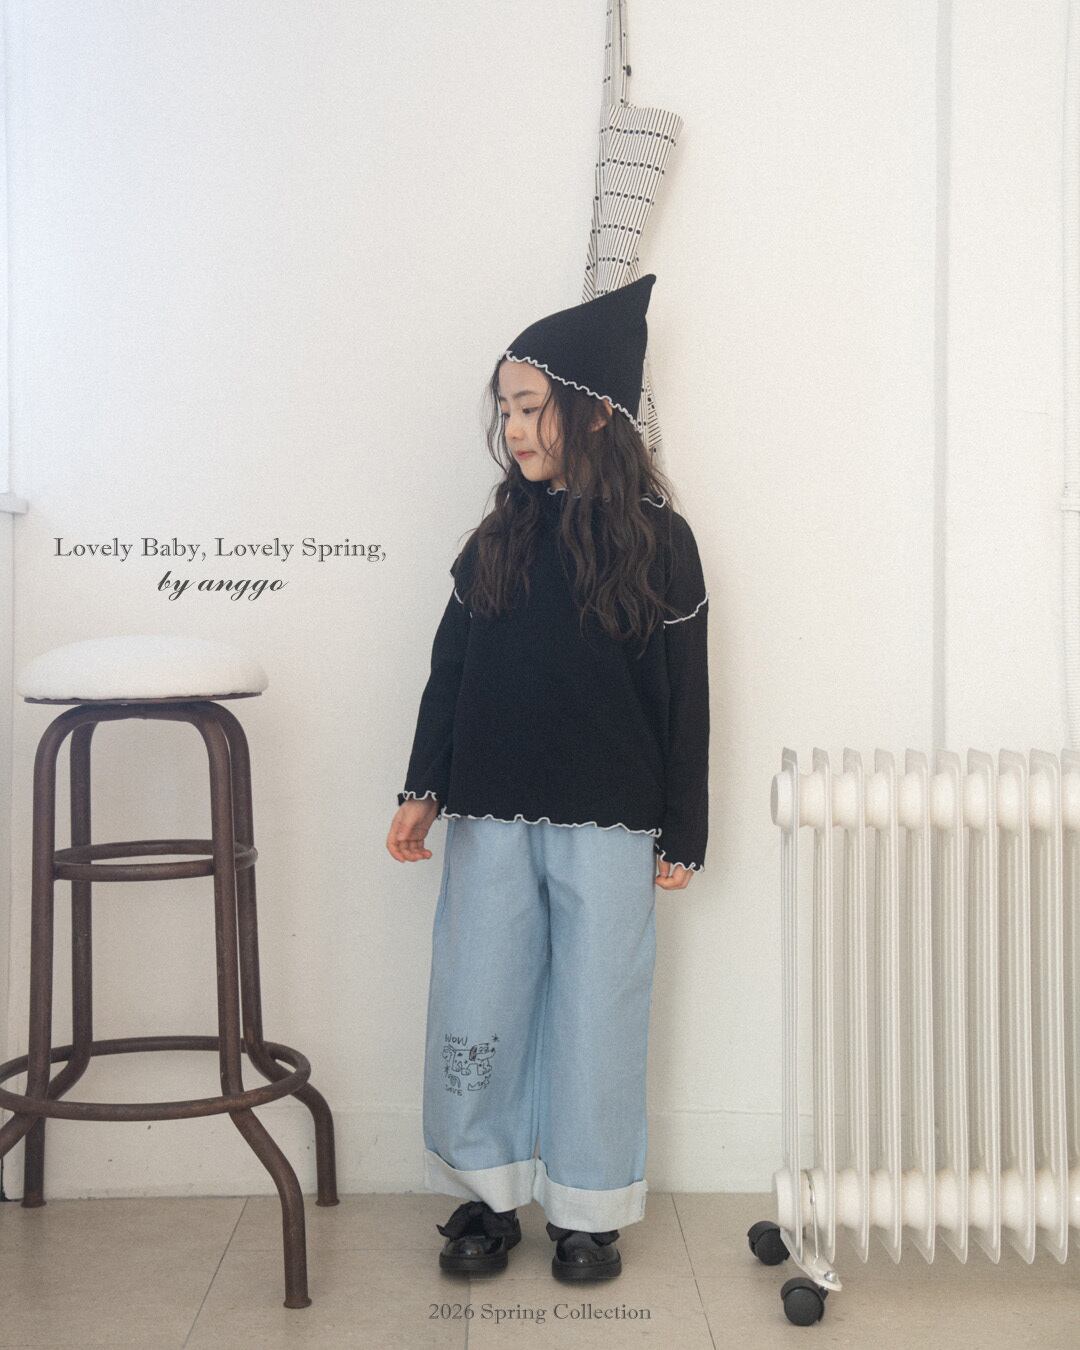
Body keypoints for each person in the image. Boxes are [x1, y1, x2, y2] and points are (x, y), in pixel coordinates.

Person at [386, 274, 709, 1283]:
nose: (515, 428)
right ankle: (486, 1195)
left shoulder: (662, 543)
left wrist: (684, 827)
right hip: (490, 808)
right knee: (479, 992)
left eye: (531, 407)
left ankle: (588, 1208)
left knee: (599, 1008)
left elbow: (687, 695)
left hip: (613, 818)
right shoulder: (499, 539)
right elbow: (451, 671)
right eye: (507, 410)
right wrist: (422, 786)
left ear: (596, 410)